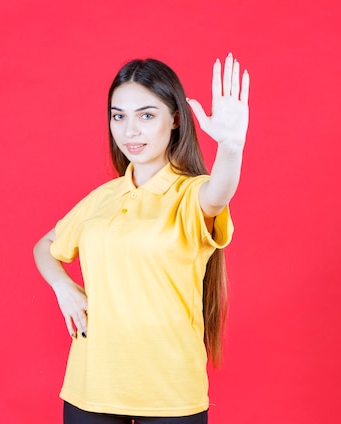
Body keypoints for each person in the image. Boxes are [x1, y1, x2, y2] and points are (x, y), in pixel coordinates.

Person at [33, 53, 250, 424]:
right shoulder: (102, 198)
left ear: (175, 119)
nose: (130, 131)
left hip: (170, 392)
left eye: (146, 116)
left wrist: (231, 148)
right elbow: (45, 247)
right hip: (92, 387)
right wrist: (62, 286)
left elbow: (219, 194)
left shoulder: (191, 194)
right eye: (119, 116)